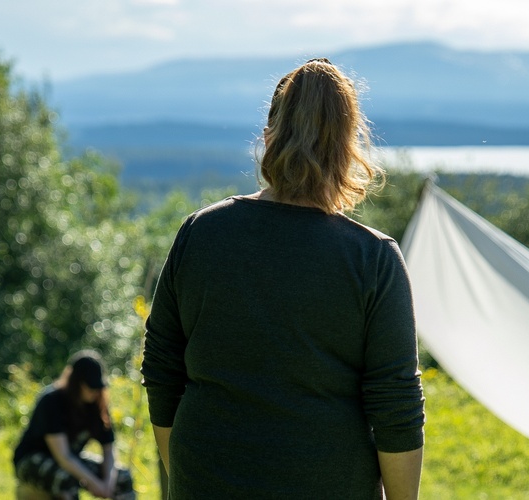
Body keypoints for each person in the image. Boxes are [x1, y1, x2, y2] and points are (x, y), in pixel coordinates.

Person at [142, 58, 425, 499]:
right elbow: (396, 406)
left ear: (270, 134)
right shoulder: (373, 258)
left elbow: (162, 370)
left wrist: (183, 475)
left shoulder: (201, 233)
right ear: (349, 146)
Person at [13, 350, 135, 500]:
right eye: (91, 387)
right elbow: (63, 456)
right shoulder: (51, 401)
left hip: (71, 459)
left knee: (122, 477)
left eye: (99, 387)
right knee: (65, 479)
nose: (96, 391)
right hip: (31, 460)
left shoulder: (97, 404)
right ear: (77, 383)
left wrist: (108, 484)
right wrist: (95, 484)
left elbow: (109, 450)